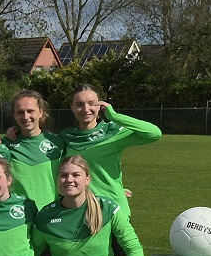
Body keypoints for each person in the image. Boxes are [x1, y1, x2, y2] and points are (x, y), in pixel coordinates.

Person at [60, 83, 161, 219]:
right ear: (71, 107)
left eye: (92, 103)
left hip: (113, 211)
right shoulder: (65, 137)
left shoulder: (112, 131)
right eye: (79, 104)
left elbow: (154, 133)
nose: (86, 109)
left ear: (100, 105)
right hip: (79, 212)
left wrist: (114, 116)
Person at [4, 90, 64, 210]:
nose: (26, 117)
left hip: (51, 212)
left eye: (30, 111)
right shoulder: (5, 145)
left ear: (41, 112)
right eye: (20, 112)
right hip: (18, 213)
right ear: (14, 115)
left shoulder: (58, 143)